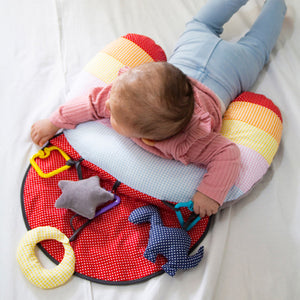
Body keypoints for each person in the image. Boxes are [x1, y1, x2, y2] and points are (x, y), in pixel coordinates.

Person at [31, 0, 287, 218]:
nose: (105, 105)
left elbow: (228, 155)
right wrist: (54, 122)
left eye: (112, 113)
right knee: (201, 25)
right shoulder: (121, 99)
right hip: (192, 53)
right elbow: (87, 105)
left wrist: (211, 193)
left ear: (148, 139)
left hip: (230, 72)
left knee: (257, 46)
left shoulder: (190, 143)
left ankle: (277, 5)